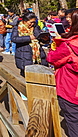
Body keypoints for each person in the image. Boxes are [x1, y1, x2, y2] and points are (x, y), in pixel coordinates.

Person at [48, 9, 78, 137]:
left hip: (70, 89)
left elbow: (52, 58)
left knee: (73, 122)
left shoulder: (69, 46)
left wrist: (56, 43)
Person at [11, 12, 48, 77]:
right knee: (25, 76)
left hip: (37, 54)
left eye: (34, 22)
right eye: (31, 22)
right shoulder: (17, 28)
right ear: (25, 21)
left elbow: (38, 37)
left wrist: (45, 39)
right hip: (24, 54)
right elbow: (14, 39)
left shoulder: (36, 27)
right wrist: (28, 38)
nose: (32, 24)